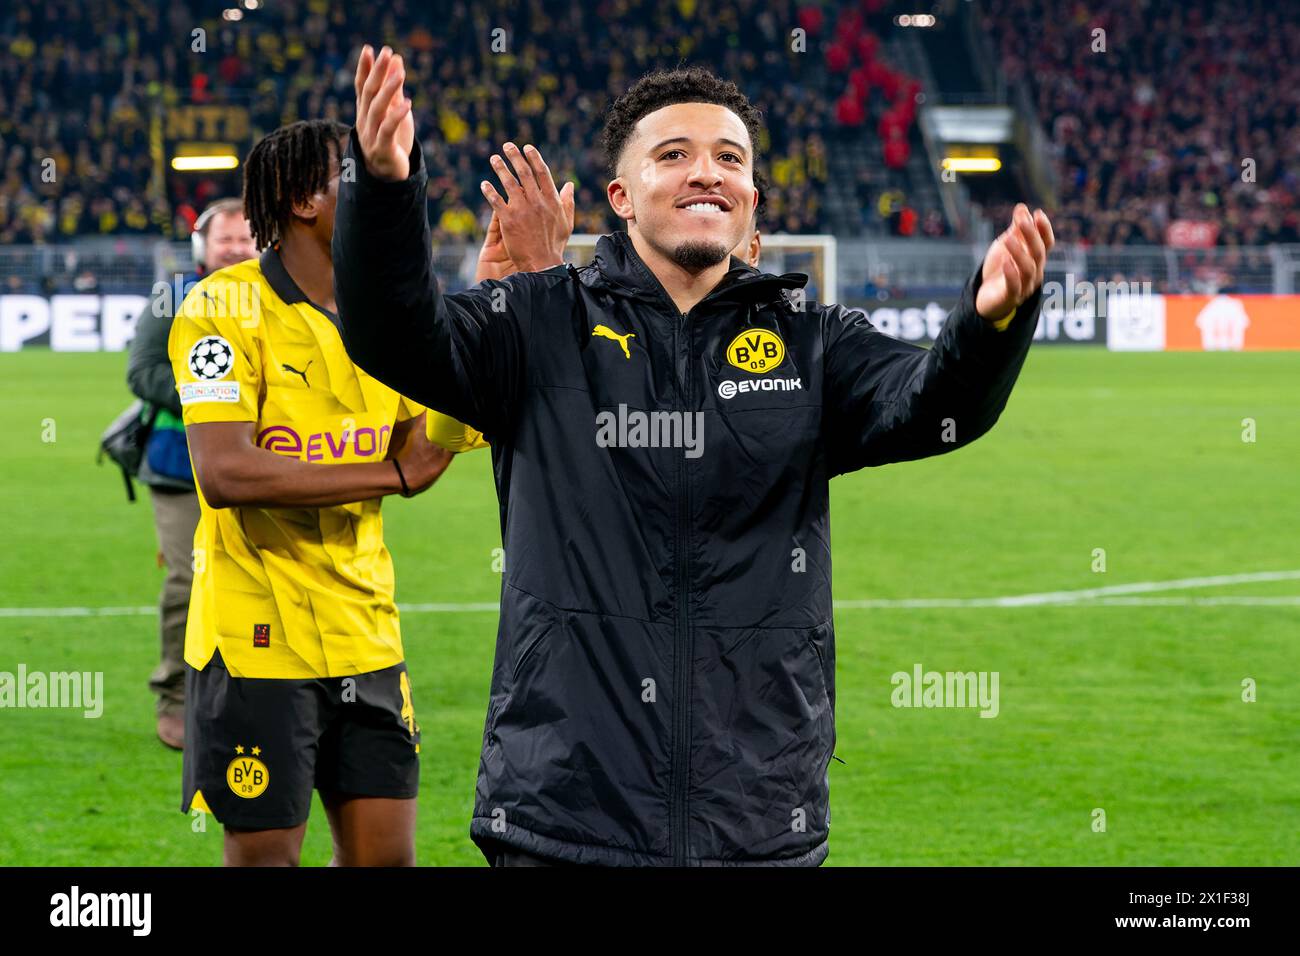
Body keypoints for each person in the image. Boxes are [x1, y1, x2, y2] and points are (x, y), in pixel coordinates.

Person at [335, 49, 1055, 867]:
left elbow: (937, 408)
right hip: (565, 815)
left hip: (755, 816)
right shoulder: (536, 323)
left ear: (751, 200)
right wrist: (386, 188)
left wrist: (989, 322)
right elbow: (392, 333)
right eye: (672, 155)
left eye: (728, 158)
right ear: (621, 197)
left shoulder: (814, 346)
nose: (704, 172)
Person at [169, 119, 471, 866]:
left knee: (385, 860)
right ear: (306, 198)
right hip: (255, 638)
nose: (387, 194)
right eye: (362, 179)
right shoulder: (221, 308)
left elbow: (425, 446)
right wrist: (392, 476)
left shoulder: (392, 306)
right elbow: (226, 473)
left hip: (365, 630)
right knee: (268, 854)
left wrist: (488, 313)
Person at [127, 197, 256, 750]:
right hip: (181, 464)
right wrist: (212, 404)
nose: (236, 249)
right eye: (225, 239)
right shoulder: (172, 297)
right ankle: (175, 697)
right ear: (203, 247)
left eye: (246, 239)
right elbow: (143, 372)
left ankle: (255, 693)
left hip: (261, 463)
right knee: (188, 579)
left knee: (257, 579)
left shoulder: (278, 296)